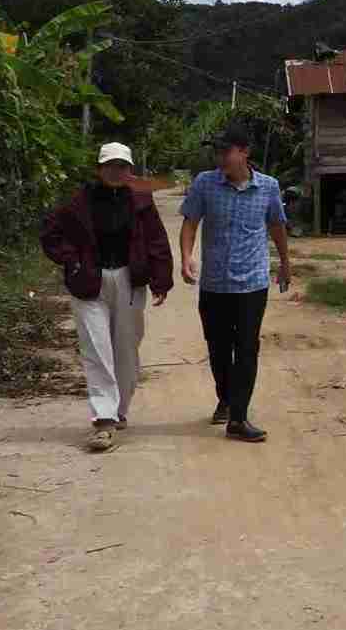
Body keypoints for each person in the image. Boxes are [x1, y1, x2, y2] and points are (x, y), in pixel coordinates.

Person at [40, 143, 173, 453]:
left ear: (129, 170)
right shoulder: (78, 202)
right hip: (89, 282)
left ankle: (119, 409)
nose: (116, 171)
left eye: (122, 166)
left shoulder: (140, 201)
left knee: (126, 348)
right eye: (110, 166)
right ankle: (104, 419)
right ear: (99, 169)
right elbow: (49, 233)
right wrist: (71, 260)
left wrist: (161, 279)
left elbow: (156, 239)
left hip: (129, 280)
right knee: (96, 349)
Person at [180, 126, 291, 443]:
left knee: (246, 348)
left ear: (244, 152)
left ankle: (239, 418)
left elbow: (277, 226)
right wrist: (186, 256)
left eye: (225, 151)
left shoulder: (268, 187)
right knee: (217, 349)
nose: (220, 158)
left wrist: (285, 263)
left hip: (252, 284)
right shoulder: (205, 184)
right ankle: (226, 400)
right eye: (217, 152)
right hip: (214, 284)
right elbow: (190, 222)